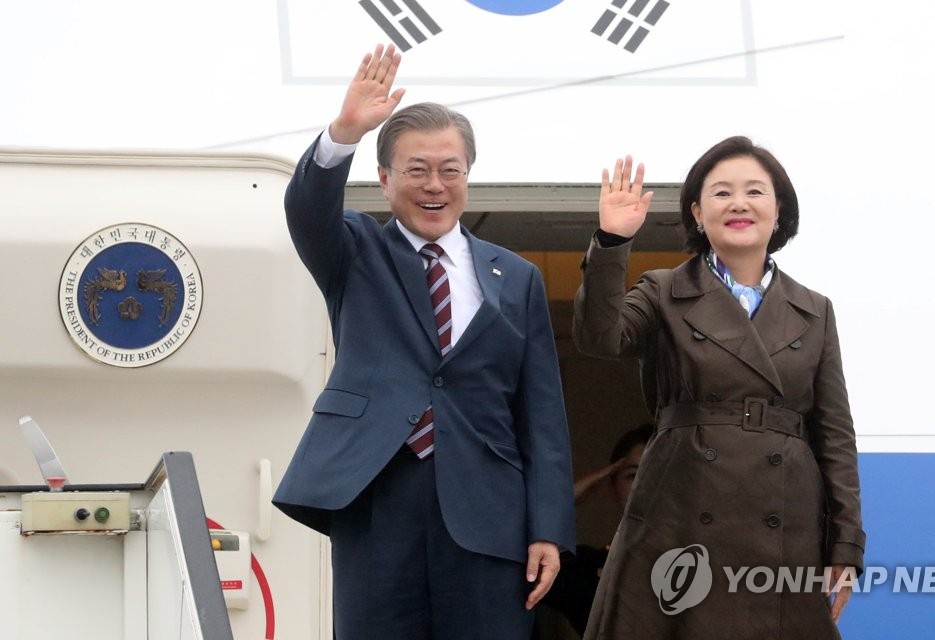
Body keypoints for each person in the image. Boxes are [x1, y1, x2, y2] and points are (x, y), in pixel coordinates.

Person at [272, 44, 575, 640]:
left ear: (467, 178)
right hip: (376, 495)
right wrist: (344, 132)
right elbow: (306, 209)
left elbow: (541, 414)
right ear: (385, 180)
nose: (434, 185)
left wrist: (548, 527)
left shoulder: (516, 276)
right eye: (416, 170)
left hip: (488, 508)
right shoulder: (355, 251)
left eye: (449, 170)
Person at [572, 138, 865, 639]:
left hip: (784, 520)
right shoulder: (663, 290)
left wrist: (845, 546)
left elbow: (834, 434)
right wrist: (612, 242)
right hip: (680, 511)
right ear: (697, 212)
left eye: (755, 191)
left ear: (779, 210)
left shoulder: (815, 310)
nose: (738, 204)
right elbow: (600, 338)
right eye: (721, 193)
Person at [541, 423, 654, 638]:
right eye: (633, 475)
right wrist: (564, 502)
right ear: (612, 484)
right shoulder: (587, 568)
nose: (647, 485)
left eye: (660, 473)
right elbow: (507, 560)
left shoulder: (707, 561)